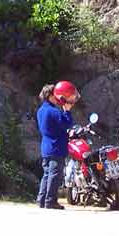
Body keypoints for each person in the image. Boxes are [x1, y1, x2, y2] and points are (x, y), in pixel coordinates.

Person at [36, 80, 79, 209]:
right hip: (56, 147)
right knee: (54, 175)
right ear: (50, 96)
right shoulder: (54, 111)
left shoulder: (41, 110)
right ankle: (50, 201)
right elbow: (67, 123)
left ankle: (42, 199)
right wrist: (67, 110)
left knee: (47, 174)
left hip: (46, 146)